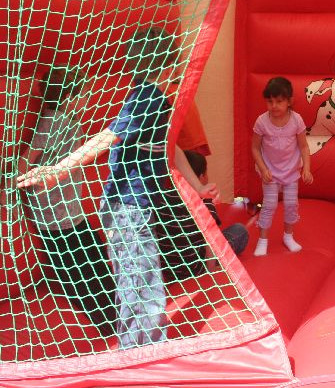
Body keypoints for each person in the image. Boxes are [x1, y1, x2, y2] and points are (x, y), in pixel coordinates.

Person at [17, 27, 218, 348]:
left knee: (142, 271)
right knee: (139, 276)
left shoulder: (154, 99)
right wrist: (58, 168)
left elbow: (170, 148)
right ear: (163, 66)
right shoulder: (147, 97)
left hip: (134, 204)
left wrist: (197, 188)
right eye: (174, 68)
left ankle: (139, 341)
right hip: (127, 205)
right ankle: (140, 346)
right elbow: (109, 136)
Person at [17, 67, 117, 337]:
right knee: (80, 271)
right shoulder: (53, 122)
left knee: (93, 255)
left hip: (71, 213)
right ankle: (107, 321)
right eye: (82, 94)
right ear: (70, 97)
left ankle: (114, 313)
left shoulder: (68, 120)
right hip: (54, 216)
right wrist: (11, 187)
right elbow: (28, 157)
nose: (86, 99)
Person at [251, 77, 313, 256]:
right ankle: (263, 240)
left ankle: (288, 236)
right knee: (269, 205)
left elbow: (303, 146)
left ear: (289, 101)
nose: (274, 106)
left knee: (291, 204)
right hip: (270, 172)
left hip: (291, 172)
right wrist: (263, 169)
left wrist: (306, 168)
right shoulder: (262, 122)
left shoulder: (296, 120)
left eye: (279, 101)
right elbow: (255, 148)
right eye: (270, 101)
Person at [183, 150, 249, 255]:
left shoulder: (165, 196)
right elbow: (211, 241)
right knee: (240, 230)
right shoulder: (205, 201)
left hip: (169, 263)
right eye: (206, 172)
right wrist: (211, 270)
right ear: (201, 177)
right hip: (198, 261)